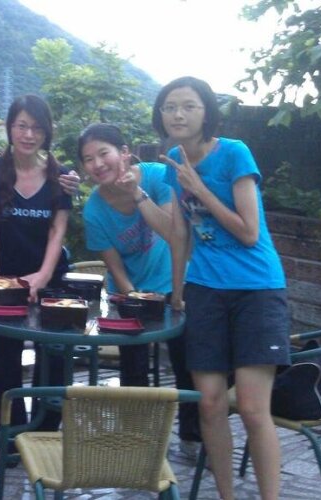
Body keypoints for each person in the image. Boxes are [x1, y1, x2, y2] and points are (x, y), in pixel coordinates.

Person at [155, 76, 290, 500]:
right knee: (210, 403)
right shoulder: (173, 164)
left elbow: (249, 232)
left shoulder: (234, 153)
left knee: (251, 407)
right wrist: (178, 291)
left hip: (256, 289)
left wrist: (200, 189)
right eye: (169, 107)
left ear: (206, 112)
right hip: (205, 289)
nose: (177, 114)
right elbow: (181, 233)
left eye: (188, 106)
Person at [78, 122, 200, 456]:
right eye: (88, 159)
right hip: (131, 293)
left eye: (103, 153)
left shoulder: (158, 176)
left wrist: (136, 193)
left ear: (124, 153)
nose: (97, 164)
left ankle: (192, 436)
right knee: (134, 367)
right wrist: (135, 299)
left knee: (187, 362)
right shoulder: (94, 210)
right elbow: (115, 267)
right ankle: (136, 438)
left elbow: (174, 234)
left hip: (177, 284)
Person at [0, 94, 71, 432]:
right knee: (5, 358)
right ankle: (10, 435)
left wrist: (42, 276)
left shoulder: (61, 176)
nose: (29, 135)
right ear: (9, 128)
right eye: (22, 126)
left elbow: (58, 230)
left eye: (37, 128)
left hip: (51, 279)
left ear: (47, 132)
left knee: (53, 355)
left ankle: (45, 432)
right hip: (7, 282)